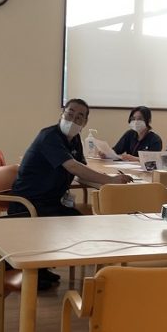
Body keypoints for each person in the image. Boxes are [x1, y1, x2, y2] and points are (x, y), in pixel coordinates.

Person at [11, 99, 133, 287]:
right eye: (70, 114)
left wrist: (109, 183)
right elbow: (73, 167)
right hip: (29, 202)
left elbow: (81, 169)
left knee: (79, 221)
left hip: (51, 201)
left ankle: (43, 268)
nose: (73, 119)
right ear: (62, 113)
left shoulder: (75, 140)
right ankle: (36, 270)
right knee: (73, 224)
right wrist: (109, 180)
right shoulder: (49, 136)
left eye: (79, 117)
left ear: (85, 122)